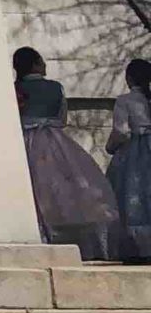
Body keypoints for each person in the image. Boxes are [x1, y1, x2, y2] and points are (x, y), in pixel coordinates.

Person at [15, 47, 121, 261]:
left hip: (22, 140)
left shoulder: (14, 88)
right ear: (35, 64)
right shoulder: (55, 87)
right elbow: (62, 118)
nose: (44, 65)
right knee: (68, 187)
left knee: (31, 187)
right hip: (53, 140)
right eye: (41, 61)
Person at [107, 58, 151, 263]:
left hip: (135, 153)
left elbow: (121, 131)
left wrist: (111, 147)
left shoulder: (125, 100)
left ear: (129, 78)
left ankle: (137, 248)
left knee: (132, 198)